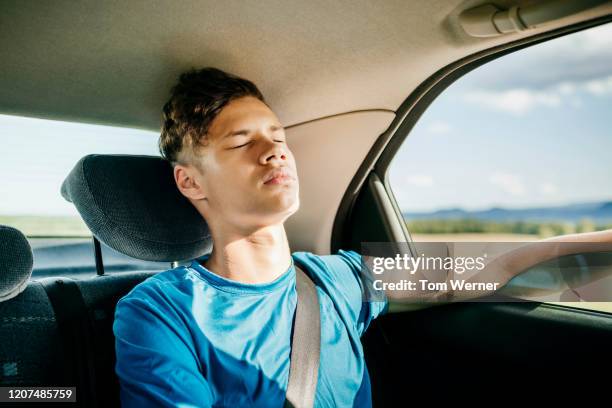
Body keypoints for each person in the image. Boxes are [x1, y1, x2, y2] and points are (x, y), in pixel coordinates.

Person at [112, 67, 612, 407]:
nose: (275, 152)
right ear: (190, 181)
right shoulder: (159, 310)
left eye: (279, 138)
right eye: (242, 142)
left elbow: (491, 268)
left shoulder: (343, 277)